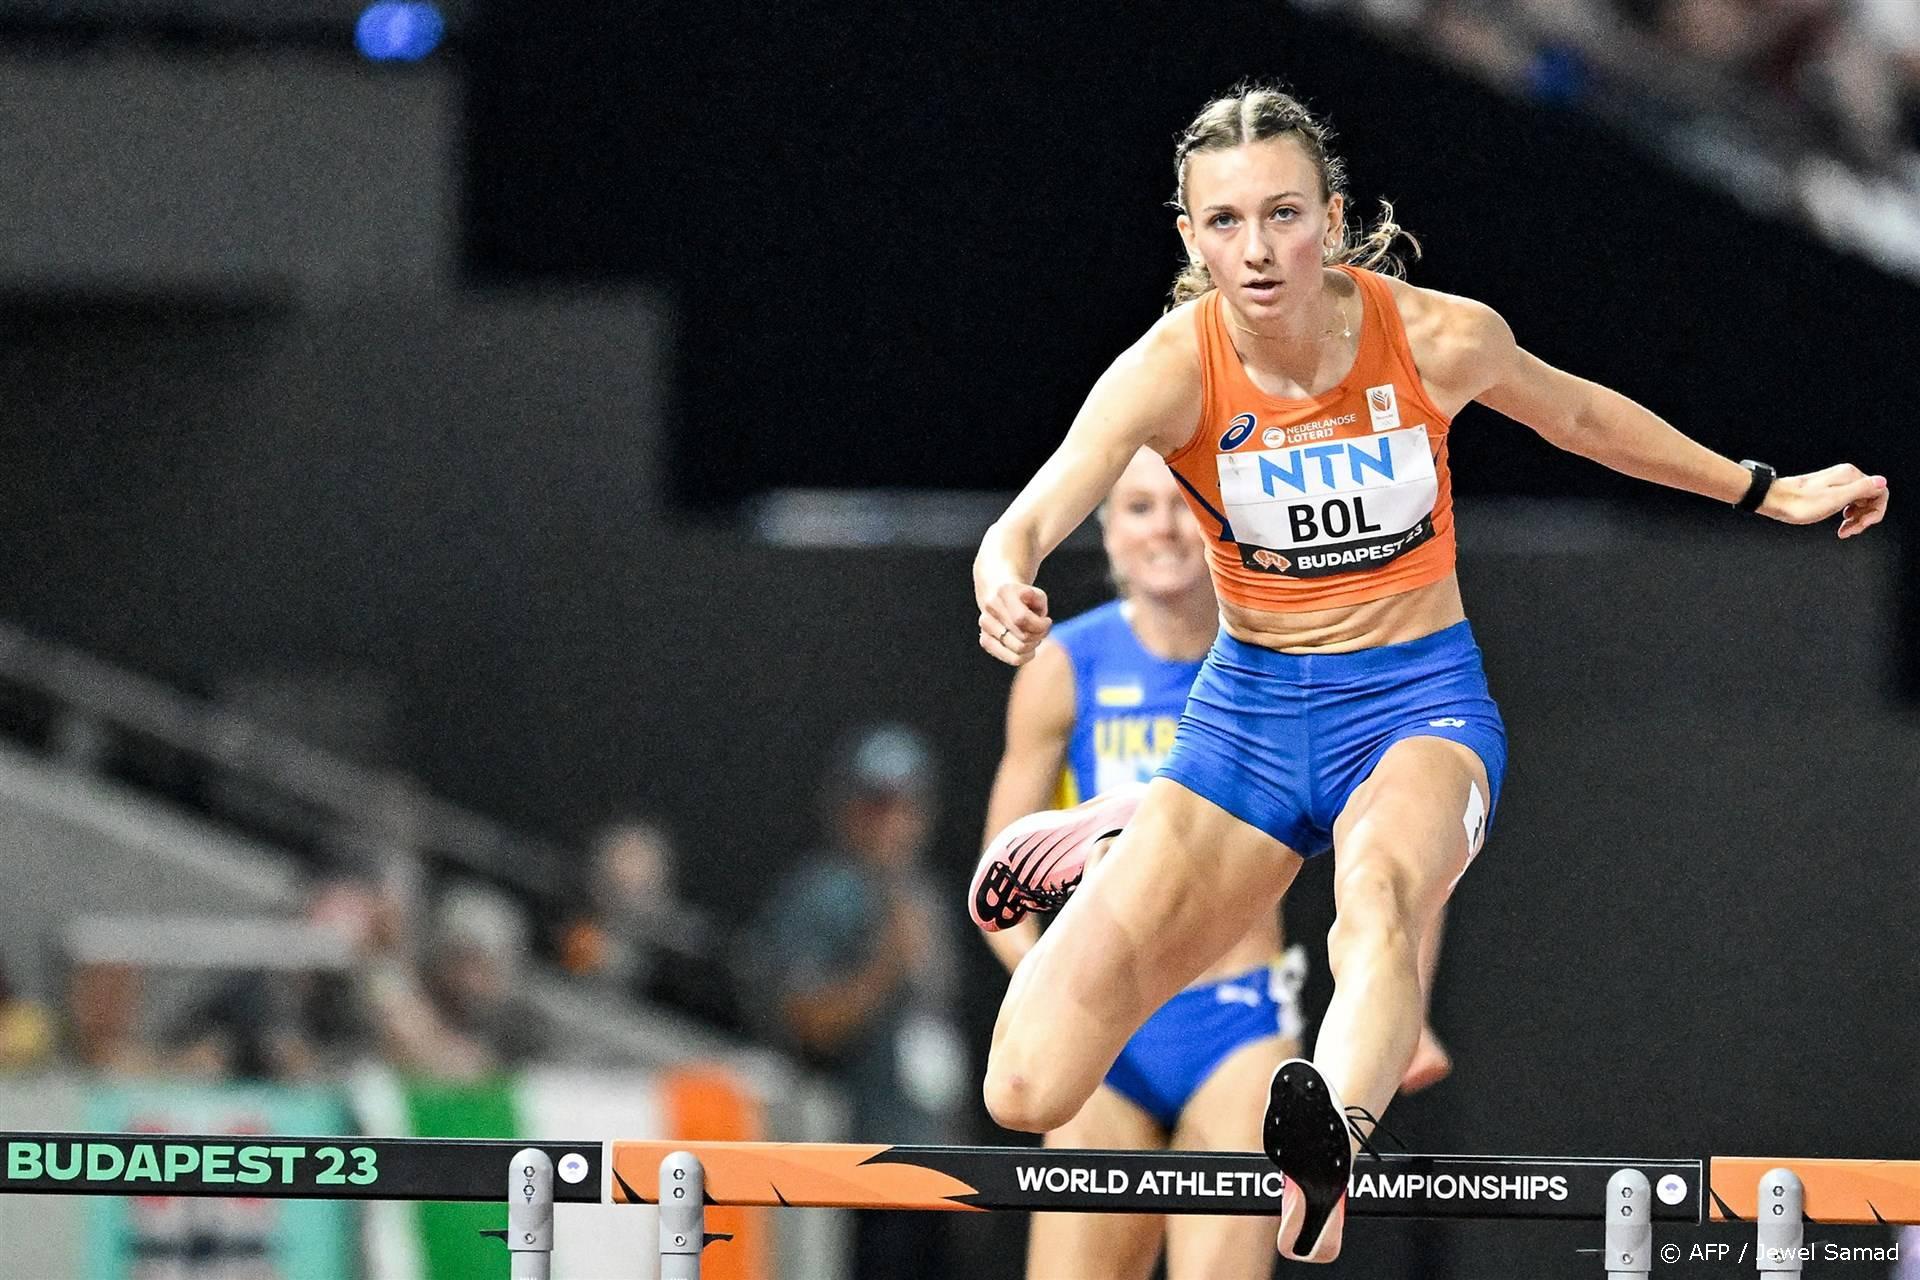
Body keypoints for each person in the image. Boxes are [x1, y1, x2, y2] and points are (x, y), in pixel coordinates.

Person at [971, 83, 1888, 1266]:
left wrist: (1764, 486)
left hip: (1414, 703)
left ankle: (1329, 1133)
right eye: (1227, 222)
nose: (1257, 250)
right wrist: (1006, 572)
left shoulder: (1436, 336)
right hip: (1247, 717)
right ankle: (1132, 831)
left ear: (1333, 219)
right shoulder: (1172, 366)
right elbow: (1044, 498)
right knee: (1025, 1086)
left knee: (1382, 900)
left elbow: (1584, 419)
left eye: (1285, 214)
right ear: (1191, 237)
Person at [974, 445, 1313, 1279]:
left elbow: (1378, 840)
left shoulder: (1281, 667)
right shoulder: (1070, 665)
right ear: (1108, 532)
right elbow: (999, 878)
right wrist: (1040, 980)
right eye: (1136, 507)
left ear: (1220, 524)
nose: (1162, 526)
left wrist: (1394, 995)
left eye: (1181, 505)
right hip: (1104, 1024)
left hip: (1234, 1023)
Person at [750, 724, 968, 1280]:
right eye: (878, 804)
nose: (894, 822)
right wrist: (883, 967)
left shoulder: (928, 897)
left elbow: (937, 1034)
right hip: (855, 1156)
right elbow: (806, 1021)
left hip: (931, 1158)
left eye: (907, 805)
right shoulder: (824, 893)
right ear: (848, 807)